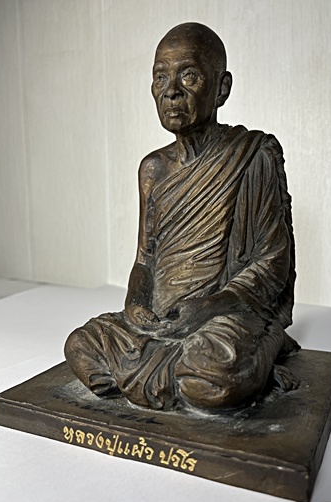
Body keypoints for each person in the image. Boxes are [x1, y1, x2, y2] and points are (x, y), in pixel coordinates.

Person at [64, 22, 298, 412]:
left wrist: (211, 306)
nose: (171, 90)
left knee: (215, 373)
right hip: (159, 322)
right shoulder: (153, 169)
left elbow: (272, 260)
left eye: (188, 75)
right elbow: (145, 260)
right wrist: (135, 304)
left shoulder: (251, 156)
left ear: (221, 88)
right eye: (160, 77)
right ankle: (221, 371)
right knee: (80, 346)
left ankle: (250, 355)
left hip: (222, 315)